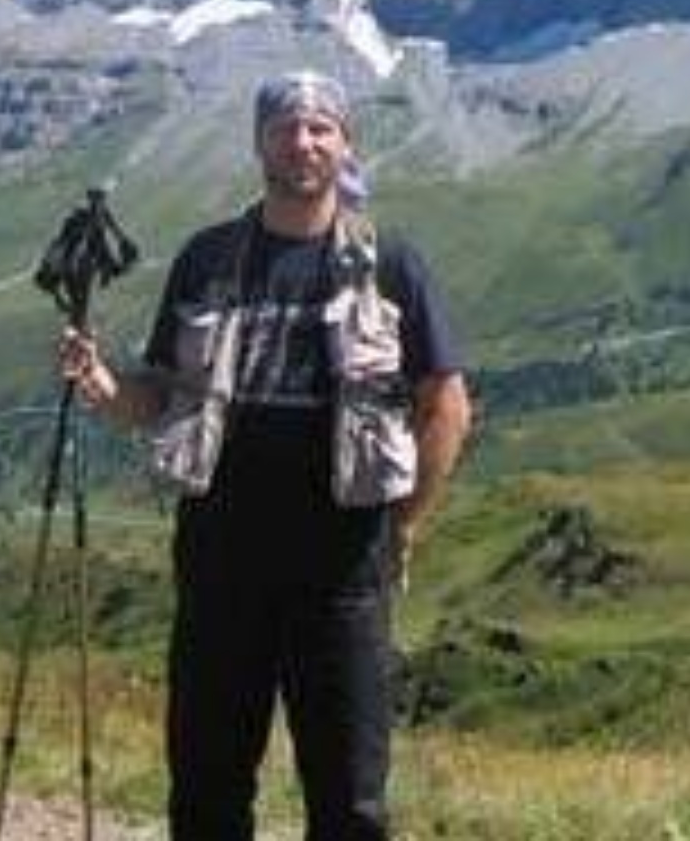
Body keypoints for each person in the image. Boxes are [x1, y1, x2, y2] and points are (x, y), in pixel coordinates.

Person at [59, 70, 471, 840]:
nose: (302, 141)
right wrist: (103, 386)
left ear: (346, 144)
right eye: (285, 126)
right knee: (208, 784)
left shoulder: (392, 265)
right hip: (221, 552)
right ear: (260, 143)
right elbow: (160, 396)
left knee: (349, 796)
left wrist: (403, 526)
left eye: (321, 127)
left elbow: (445, 405)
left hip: (344, 558)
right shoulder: (207, 259)